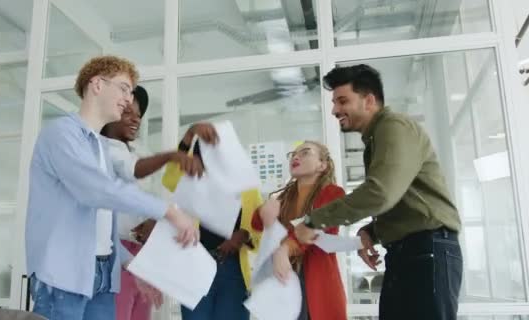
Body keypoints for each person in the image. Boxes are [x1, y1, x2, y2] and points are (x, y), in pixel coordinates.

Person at [25, 56, 199, 320]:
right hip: (62, 277)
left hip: (104, 275)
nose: (128, 99)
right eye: (124, 88)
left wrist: (131, 266)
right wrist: (169, 211)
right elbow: (97, 191)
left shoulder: (101, 148)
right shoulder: (61, 135)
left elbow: (100, 229)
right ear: (96, 85)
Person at [290, 64, 463, 320]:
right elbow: (401, 198)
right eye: (334, 102)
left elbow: (380, 194)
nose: (335, 109)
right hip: (405, 253)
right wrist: (372, 232)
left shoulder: (394, 127)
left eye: (342, 100)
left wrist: (313, 221)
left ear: (369, 100)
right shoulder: (376, 139)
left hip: (427, 250)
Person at [100, 85, 218, 320]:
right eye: (127, 113)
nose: (135, 120)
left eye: (138, 115)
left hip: (142, 254)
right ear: (110, 114)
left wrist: (152, 221)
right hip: (116, 252)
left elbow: (142, 199)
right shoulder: (100, 152)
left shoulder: (131, 153)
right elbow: (129, 180)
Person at [161, 129, 264, 320]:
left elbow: (260, 226)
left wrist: (243, 235)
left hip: (233, 269)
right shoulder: (190, 179)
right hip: (197, 265)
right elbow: (169, 177)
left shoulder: (247, 186)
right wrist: (189, 136)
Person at [251, 141, 347, 320]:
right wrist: (263, 211)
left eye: (305, 153)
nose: (295, 157)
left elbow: (319, 229)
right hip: (284, 281)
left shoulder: (333, 193)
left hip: (316, 283)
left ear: (322, 165)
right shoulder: (285, 197)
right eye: (293, 154)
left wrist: (286, 248)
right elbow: (256, 224)